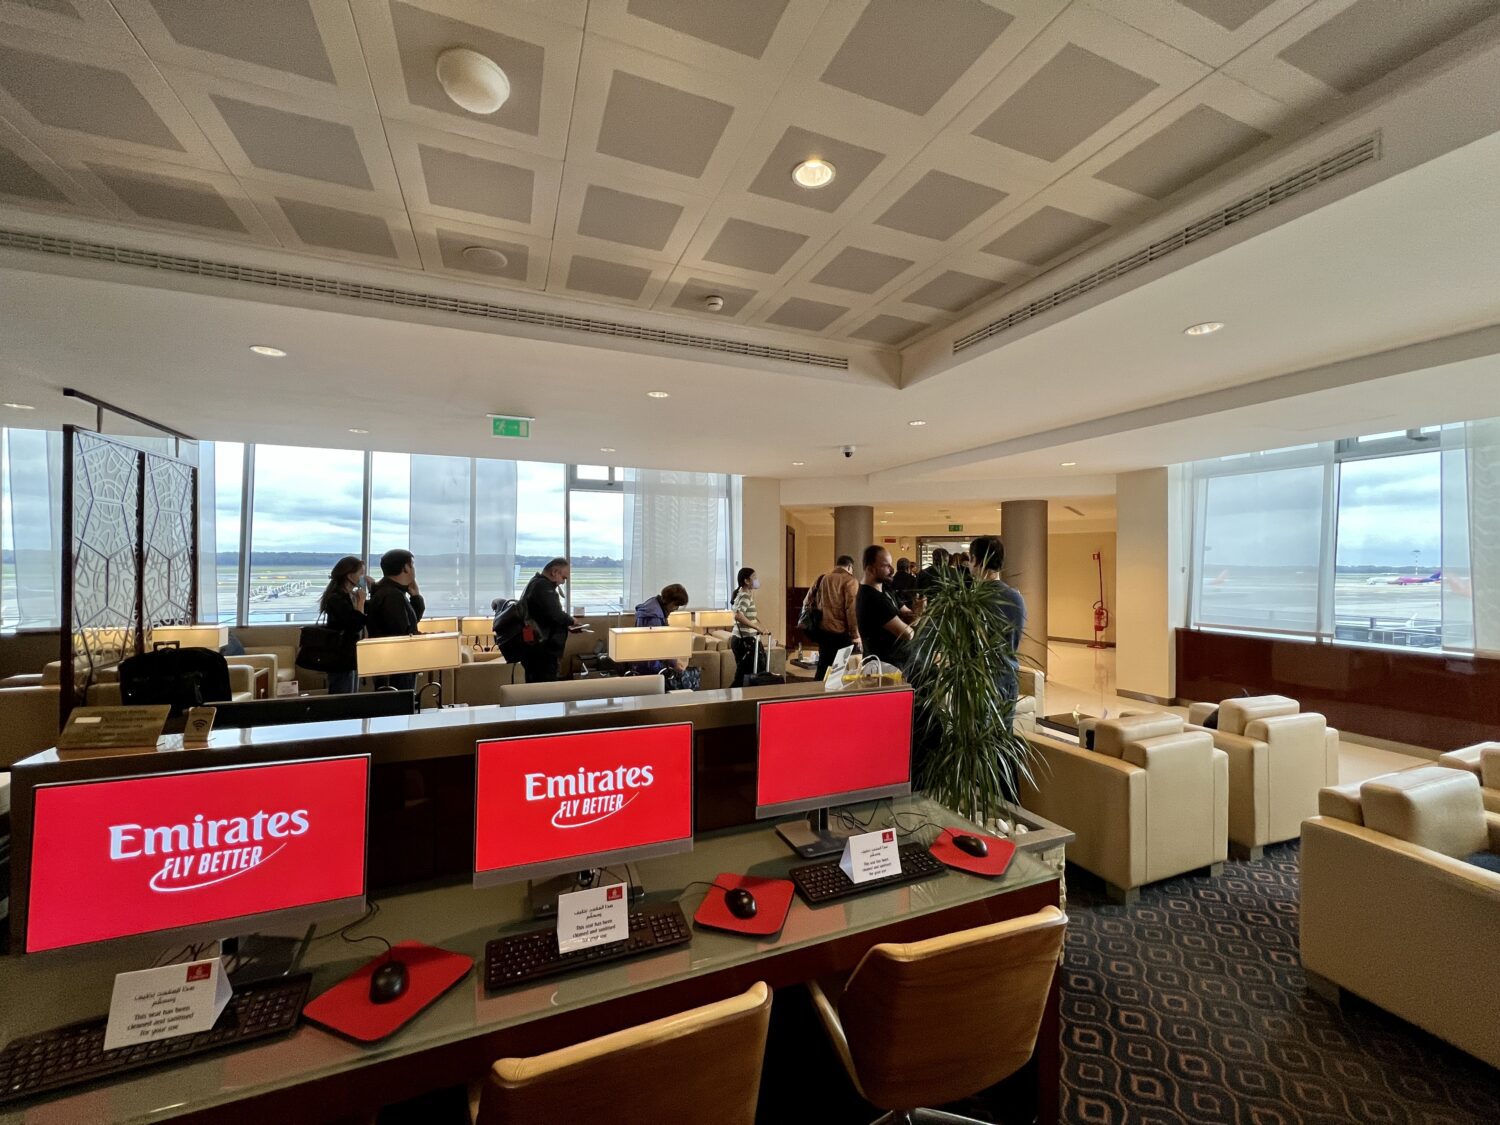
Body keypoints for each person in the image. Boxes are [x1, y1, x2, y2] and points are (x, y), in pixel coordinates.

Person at [969, 534, 1027, 728]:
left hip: (979, 679)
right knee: (1002, 734)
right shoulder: (1016, 597)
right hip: (1008, 675)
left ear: (976, 560)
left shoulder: (972, 600)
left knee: (979, 736)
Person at [501, 557, 581, 684]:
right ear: (554, 572)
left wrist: (564, 626)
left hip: (535, 649)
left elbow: (544, 617)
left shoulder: (535, 583)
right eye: (564, 578)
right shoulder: (543, 586)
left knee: (536, 685)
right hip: (543, 652)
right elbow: (555, 613)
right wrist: (571, 621)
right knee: (544, 690)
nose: (563, 582)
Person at [365, 549, 425, 689]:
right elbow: (401, 633)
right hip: (396, 667)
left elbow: (409, 621)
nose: (414, 569)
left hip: (392, 665)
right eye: (412, 565)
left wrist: (416, 597)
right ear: (405, 568)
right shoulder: (392, 596)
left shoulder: (389, 592)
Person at [856, 545, 919, 670]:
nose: (892, 570)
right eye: (886, 566)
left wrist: (915, 613)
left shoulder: (886, 589)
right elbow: (907, 634)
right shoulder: (871, 598)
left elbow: (909, 614)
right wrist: (907, 623)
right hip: (884, 667)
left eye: (891, 564)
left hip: (899, 664)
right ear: (870, 569)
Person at [317, 555, 367, 695]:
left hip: (349, 654)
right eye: (360, 574)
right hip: (340, 656)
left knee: (350, 694)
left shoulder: (347, 595)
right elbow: (355, 624)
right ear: (349, 576)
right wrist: (361, 602)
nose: (362, 577)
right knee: (343, 696)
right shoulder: (337, 598)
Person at [812, 555, 860, 681]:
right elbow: (852, 610)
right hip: (841, 632)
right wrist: (855, 635)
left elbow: (813, 600)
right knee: (838, 669)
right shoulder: (850, 581)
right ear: (849, 566)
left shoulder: (823, 578)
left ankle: (816, 694)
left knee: (823, 667)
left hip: (823, 629)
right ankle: (834, 696)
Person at [633, 583, 690, 675]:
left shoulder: (652, 605)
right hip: (652, 665)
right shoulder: (655, 616)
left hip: (643, 661)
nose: (676, 609)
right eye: (676, 605)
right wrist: (674, 664)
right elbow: (659, 644)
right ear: (669, 600)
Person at [730, 566, 772, 686]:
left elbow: (749, 616)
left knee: (744, 675)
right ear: (746, 581)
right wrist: (757, 628)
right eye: (754, 578)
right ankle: (733, 699)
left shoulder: (741, 594)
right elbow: (739, 615)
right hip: (745, 641)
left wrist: (761, 626)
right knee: (744, 675)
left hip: (738, 639)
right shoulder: (745, 596)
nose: (757, 580)